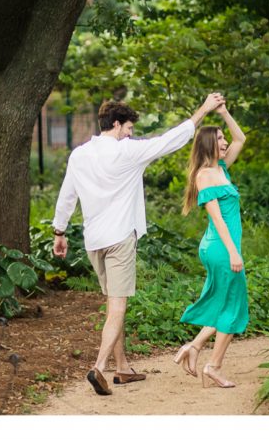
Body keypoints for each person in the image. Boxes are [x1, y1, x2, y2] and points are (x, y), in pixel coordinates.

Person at [52, 93, 225, 396]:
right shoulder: (127, 152)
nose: (131, 134)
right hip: (119, 239)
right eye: (129, 128)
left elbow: (68, 194)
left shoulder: (79, 154)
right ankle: (99, 368)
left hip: (94, 241)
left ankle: (122, 368)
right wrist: (204, 110)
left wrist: (59, 232)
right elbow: (170, 140)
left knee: (112, 304)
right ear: (117, 125)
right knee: (118, 307)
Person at [173, 103, 247, 388]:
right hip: (220, 246)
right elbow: (217, 218)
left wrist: (225, 113)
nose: (226, 142)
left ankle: (192, 348)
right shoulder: (205, 175)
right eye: (219, 139)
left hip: (221, 247)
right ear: (207, 144)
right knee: (233, 305)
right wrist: (233, 252)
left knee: (226, 302)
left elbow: (241, 139)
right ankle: (213, 366)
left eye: (223, 139)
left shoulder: (223, 169)